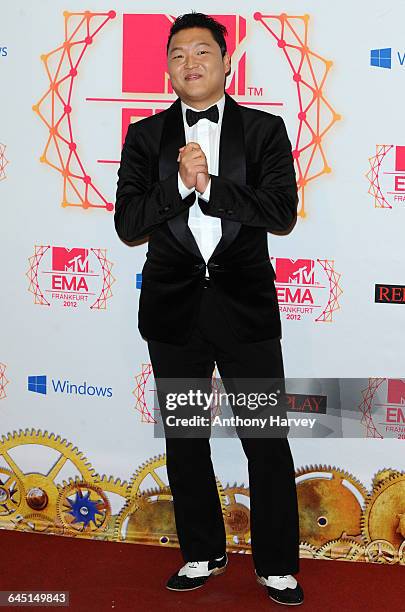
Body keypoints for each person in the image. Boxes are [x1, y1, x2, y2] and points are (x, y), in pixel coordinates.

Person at [114, 12, 303, 606]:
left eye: (201, 51)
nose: (189, 62)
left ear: (226, 61)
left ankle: (276, 564)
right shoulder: (145, 137)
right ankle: (202, 551)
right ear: (167, 68)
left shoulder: (264, 130)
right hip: (174, 312)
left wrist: (212, 186)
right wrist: (176, 182)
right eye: (177, 54)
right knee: (186, 437)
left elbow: (281, 213)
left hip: (244, 310)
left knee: (265, 439)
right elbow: (128, 225)